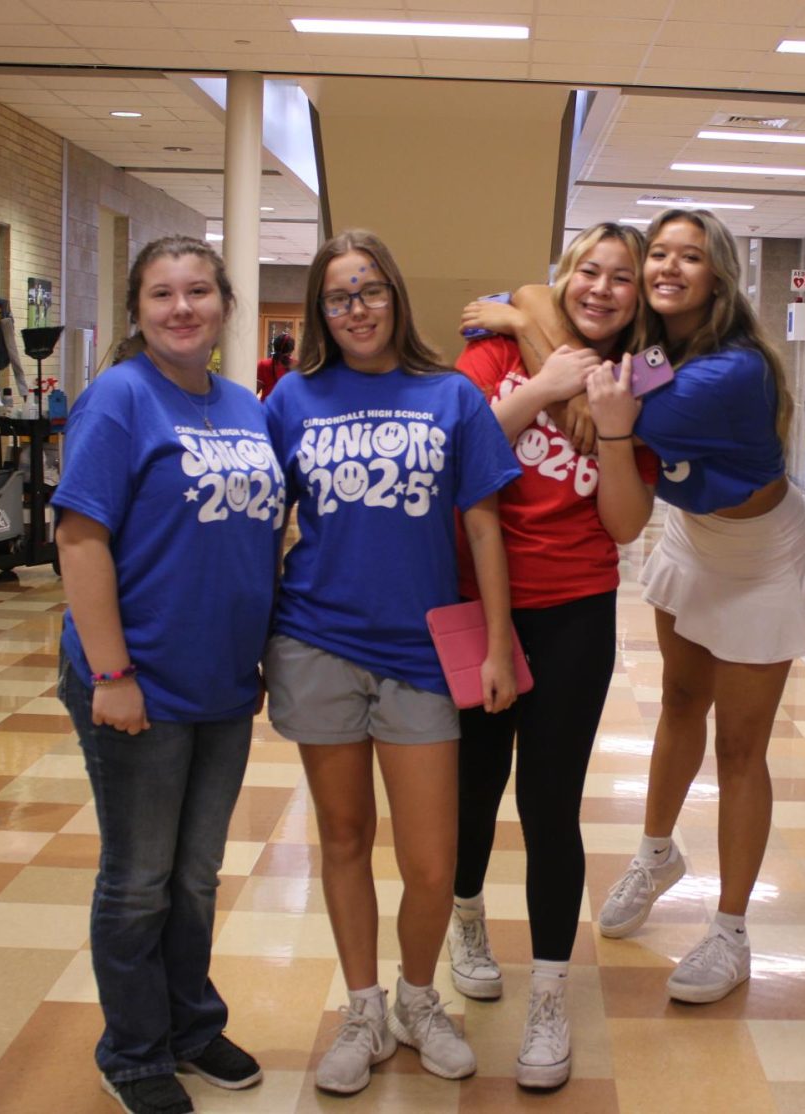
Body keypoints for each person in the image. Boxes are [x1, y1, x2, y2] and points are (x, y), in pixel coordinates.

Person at [263, 229, 522, 1096]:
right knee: (342, 837)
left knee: (430, 862)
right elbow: (264, 526)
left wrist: (494, 645)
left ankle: (419, 1000)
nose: (356, 308)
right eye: (338, 295)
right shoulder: (292, 400)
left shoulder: (450, 394)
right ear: (319, 310)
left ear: (395, 297)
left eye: (369, 289)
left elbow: (483, 527)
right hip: (317, 641)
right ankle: (364, 1008)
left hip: (420, 653)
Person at [53, 235, 283, 1114]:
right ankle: (136, 1049)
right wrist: (111, 672)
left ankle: (191, 1023)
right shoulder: (118, 400)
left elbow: (255, 537)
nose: (181, 308)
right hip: (136, 681)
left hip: (222, 682)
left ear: (225, 304)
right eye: (161, 295)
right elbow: (80, 540)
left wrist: (252, 651)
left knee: (195, 874)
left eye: (197, 292)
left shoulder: (245, 406)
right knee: (140, 876)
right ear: (137, 311)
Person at [589, 209, 805, 1005]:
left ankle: (731, 932)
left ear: (718, 274)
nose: (668, 267)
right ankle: (657, 853)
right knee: (677, 703)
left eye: (688, 256)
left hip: (764, 559)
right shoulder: (662, 351)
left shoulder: (729, 370)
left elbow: (611, 413)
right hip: (694, 541)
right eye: (656, 253)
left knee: (740, 747)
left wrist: (522, 311)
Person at [447, 223, 659, 1089]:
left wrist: (609, 427)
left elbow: (624, 524)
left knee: (549, 805)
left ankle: (548, 996)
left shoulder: (646, 379)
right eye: (588, 271)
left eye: (622, 278)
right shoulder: (497, 347)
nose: (602, 288)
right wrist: (543, 388)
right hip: (472, 606)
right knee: (472, 784)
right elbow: (459, 457)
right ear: (562, 277)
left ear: (638, 299)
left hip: (575, 610)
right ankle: (465, 918)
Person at [256, 331, 295, 400]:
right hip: (289, 409)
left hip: (267, 408)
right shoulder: (297, 366)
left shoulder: (263, 364)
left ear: (275, 346)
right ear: (292, 350)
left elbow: (255, 390)